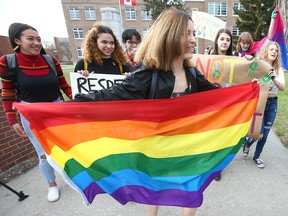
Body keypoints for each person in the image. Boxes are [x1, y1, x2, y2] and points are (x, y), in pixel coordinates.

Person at [72, 9, 218, 216]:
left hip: (187, 147)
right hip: (156, 149)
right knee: (153, 190)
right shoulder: (148, 74)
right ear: (170, 35)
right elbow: (110, 96)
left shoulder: (192, 72)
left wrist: (250, 91)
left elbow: (219, 97)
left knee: (193, 187)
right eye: (187, 33)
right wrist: (69, 105)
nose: (193, 40)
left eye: (193, 33)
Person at [0, 23, 73, 202]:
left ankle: (70, 177)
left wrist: (78, 102)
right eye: (30, 39)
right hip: (31, 116)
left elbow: (64, 86)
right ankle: (52, 185)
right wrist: (13, 120)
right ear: (17, 40)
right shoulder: (7, 62)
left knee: (65, 148)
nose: (36, 43)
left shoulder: (50, 60)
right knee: (43, 153)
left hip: (56, 111)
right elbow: (7, 92)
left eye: (38, 39)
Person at [242, 41, 286, 168]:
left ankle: (257, 156)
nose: (274, 52)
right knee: (258, 132)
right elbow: (248, 80)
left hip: (272, 103)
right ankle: (248, 143)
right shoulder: (258, 66)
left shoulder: (278, 69)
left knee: (265, 134)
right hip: (260, 101)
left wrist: (274, 78)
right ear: (266, 51)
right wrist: (255, 81)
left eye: (276, 51)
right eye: (272, 49)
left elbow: (282, 87)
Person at [213, 28, 233, 181]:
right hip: (211, 105)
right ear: (217, 41)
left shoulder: (236, 60)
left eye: (228, 39)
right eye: (222, 39)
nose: (225, 42)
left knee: (222, 137)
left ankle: (217, 167)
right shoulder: (208, 59)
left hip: (228, 105)